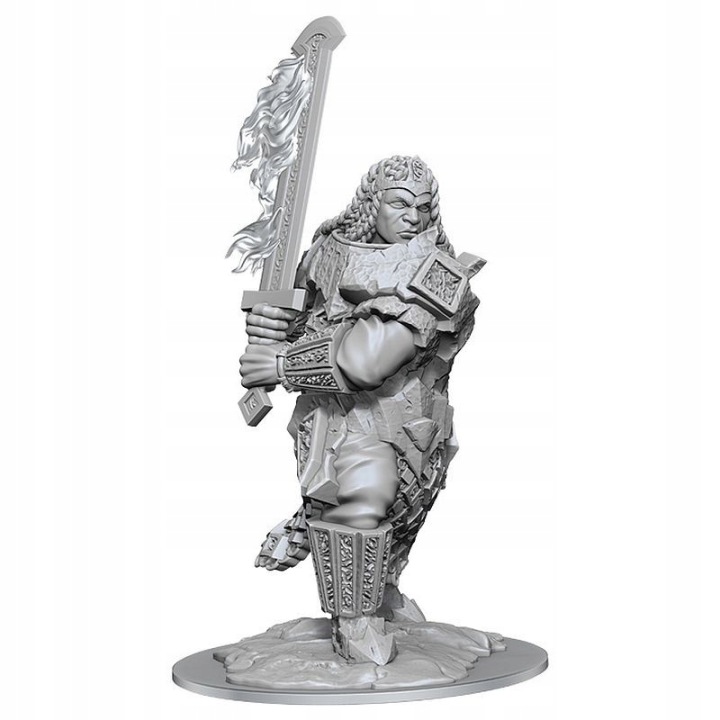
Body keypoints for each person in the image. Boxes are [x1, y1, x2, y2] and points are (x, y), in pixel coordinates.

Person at [239, 155, 484, 664]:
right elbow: (303, 316)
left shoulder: (439, 270)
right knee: (361, 499)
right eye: (399, 203)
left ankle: (382, 594)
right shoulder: (326, 252)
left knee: (406, 507)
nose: (413, 216)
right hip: (342, 421)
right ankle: (354, 622)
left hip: (412, 415)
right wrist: (270, 324)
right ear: (373, 203)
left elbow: (371, 357)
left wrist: (282, 364)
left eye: (423, 206)